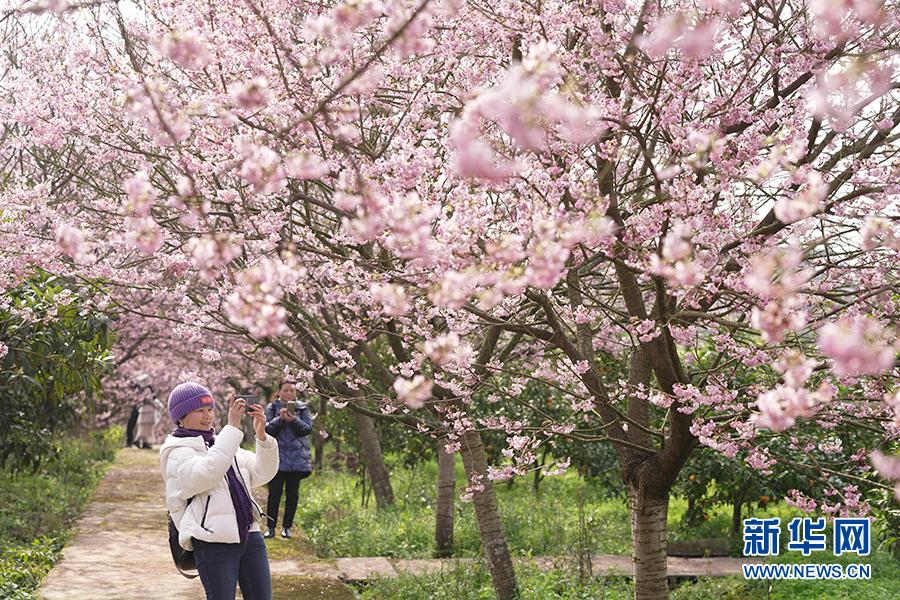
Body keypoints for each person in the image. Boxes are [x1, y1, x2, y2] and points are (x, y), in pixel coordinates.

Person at [160, 382, 279, 600]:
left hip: (249, 533)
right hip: (212, 539)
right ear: (181, 416)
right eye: (199, 411)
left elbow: (262, 473)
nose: (207, 416)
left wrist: (262, 437)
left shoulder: (221, 443)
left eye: (210, 410)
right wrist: (232, 429)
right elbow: (204, 475)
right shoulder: (177, 451)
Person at [263, 381, 313, 539]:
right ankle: (270, 528)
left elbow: (307, 429)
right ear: (279, 392)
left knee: (293, 495)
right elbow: (267, 429)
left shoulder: (303, 408)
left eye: (292, 390)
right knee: (274, 495)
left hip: (296, 460)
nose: (289, 393)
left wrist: (294, 420)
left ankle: (287, 528)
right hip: (276, 459)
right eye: (285, 390)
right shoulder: (271, 408)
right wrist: (280, 419)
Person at [133, 374, 163, 449]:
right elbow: (148, 400)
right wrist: (155, 405)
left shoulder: (142, 390)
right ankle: (142, 441)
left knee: (144, 426)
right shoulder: (147, 390)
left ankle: (143, 442)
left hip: (144, 409)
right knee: (146, 426)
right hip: (148, 409)